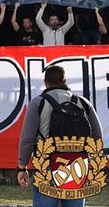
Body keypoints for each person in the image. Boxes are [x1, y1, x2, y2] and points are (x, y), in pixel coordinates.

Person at [17, 65, 102, 207]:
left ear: (46, 82)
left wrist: (22, 167)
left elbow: (27, 139)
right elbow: (97, 136)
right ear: (65, 81)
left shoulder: (38, 103)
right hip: (77, 165)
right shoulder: (83, 103)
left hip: (47, 165)